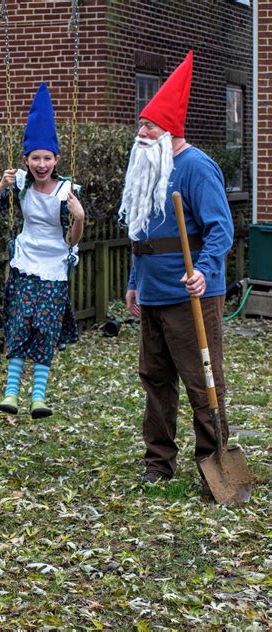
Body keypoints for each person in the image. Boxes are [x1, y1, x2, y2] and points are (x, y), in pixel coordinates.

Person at [118, 51, 234, 492]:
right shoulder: (149, 170)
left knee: (202, 380)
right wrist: (133, 283)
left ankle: (214, 462)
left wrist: (204, 271)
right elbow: (141, 231)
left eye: (147, 126)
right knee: (155, 379)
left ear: (169, 131)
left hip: (192, 294)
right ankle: (159, 462)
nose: (140, 132)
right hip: (152, 292)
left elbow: (221, 229)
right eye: (140, 125)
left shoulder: (196, 167)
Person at [0, 82, 85, 419]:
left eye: (47, 158)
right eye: (35, 158)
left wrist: (79, 217)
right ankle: (11, 392)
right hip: (26, 262)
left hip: (55, 264)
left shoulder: (67, 190)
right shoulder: (21, 185)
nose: (41, 164)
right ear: (26, 159)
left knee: (46, 325)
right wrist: (1, 184)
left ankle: (38, 396)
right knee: (20, 321)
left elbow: (71, 239)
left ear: (56, 159)